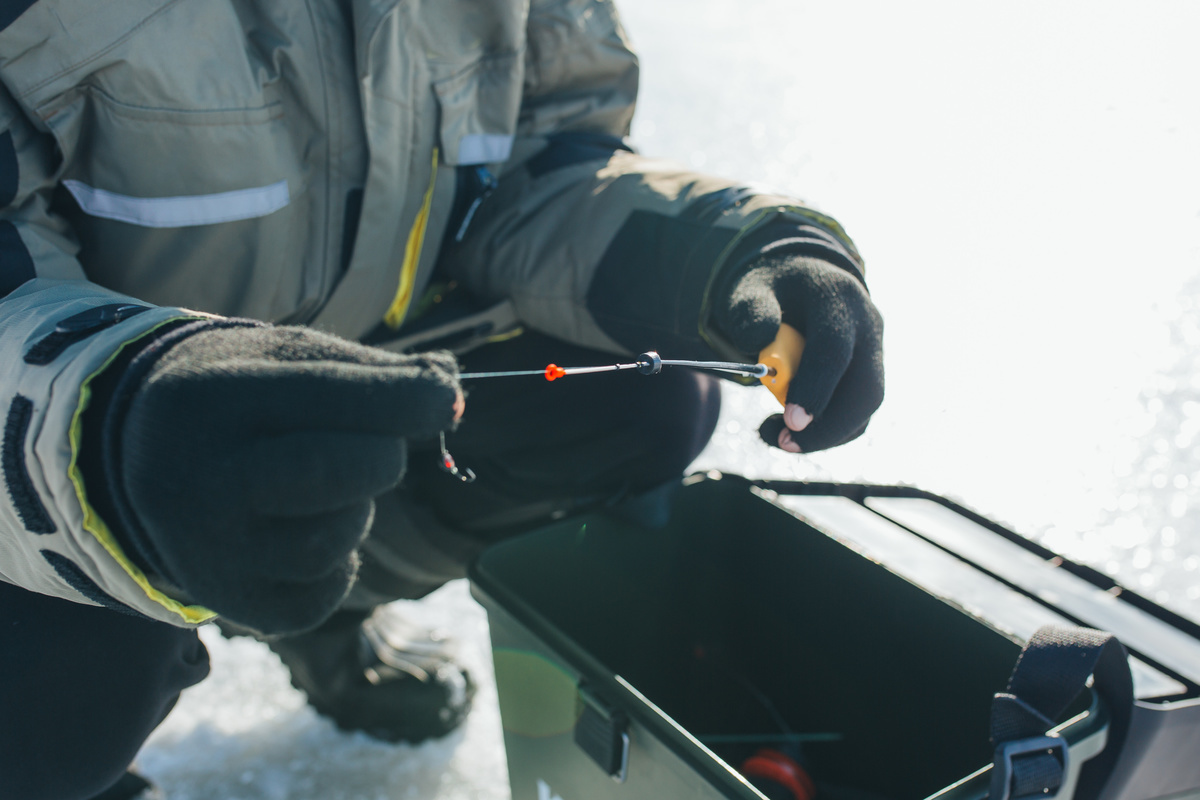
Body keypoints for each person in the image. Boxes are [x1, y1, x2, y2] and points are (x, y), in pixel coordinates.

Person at [0, 1, 884, 798]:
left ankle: (318, 607)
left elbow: (545, 156)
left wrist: (730, 254)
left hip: (374, 353)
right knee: (74, 697)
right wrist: (113, 419)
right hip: (77, 413)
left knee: (648, 408)